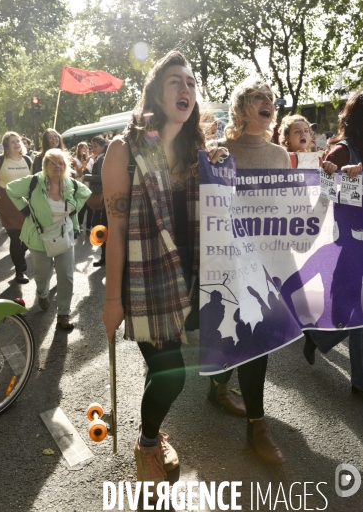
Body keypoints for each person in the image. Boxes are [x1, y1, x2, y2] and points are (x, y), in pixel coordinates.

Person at [101, 51, 226, 498]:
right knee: (171, 373)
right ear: (155, 93)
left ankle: (154, 432)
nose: (186, 89)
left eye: (191, 82)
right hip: (143, 284)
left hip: (192, 281)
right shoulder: (124, 150)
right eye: (175, 81)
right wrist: (112, 301)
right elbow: (115, 230)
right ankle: (148, 443)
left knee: (169, 371)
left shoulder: (201, 154)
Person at [210, 76, 292, 466]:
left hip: (267, 259)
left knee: (249, 334)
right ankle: (257, 427)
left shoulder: (279, 154)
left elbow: (289, 207)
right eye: (259, 97)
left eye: (271, 98)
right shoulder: (220, 152)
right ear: (242, 108)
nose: (268, 102)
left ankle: (218, 386)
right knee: (250, 336)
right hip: (229, 259)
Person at [298, 90, 363, 396]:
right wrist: (333, 175)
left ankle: (318, 338)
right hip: (348, 244)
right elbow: (322, 195)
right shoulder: (342, 151)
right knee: (357, 313)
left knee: (353, 312)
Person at [6, 148, 91, 329]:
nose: (57, 166)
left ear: (66, 166)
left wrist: (75, 207)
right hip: (39, 236)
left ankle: (64, 314)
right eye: (52, 162)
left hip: (64, 234)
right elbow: (11, 189)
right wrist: (25, 210)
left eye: (61, 163)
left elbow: (85, 193)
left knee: (66, 276)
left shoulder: (71, 184)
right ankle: (42, 293)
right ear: (45, 165)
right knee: (43, 273)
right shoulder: (35, 181)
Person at [0, 132, 32, 283]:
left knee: (27, 236)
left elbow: (32, 182)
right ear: (6, 146)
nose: (17, 143)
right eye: (13, 142)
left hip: (25, 201)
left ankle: (20, 260)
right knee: (15, 236)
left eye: (18, 141)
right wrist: (0, 199)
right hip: (7, 202)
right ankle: (19, 271)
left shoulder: (27, 159)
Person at [84, 135, 109, 264]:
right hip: (98, 194)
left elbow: (100, 177)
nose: (93, 149)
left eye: (95, 146)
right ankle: (104, 256)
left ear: (103, 146)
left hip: (100, 195)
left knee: (99, 226)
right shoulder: (98, 158)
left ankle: (105, 257)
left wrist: (87, 176)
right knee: (98, 225)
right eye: (92, 146)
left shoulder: (102, 159)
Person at [73, 142, 93, 233]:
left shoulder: (91, 160)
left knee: (90, 206)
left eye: (86, 148)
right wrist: (83, 164)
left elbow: (92, 173)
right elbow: (80, 173)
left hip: (89, 184)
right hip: (80, 184)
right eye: (82, 148)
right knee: (82, 205)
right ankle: (80, 224)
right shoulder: (75, 160)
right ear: (79, 150)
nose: (85, 149)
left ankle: (89, 226)